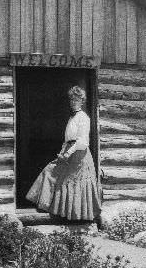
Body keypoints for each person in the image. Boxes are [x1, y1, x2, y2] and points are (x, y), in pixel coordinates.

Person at [26, 85, 102, 222]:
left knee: (72, 182)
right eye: (71, 99)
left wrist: (69, 153)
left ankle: (77, 217)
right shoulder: (72, 117)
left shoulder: (83, 117)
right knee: (50, 171)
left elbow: (83, 141)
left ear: (82, 101)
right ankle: (57, 211)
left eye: (76, 99)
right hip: (69, 151)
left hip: (79, 154)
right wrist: (63, 151)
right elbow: (68, 139)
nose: (73, 102)